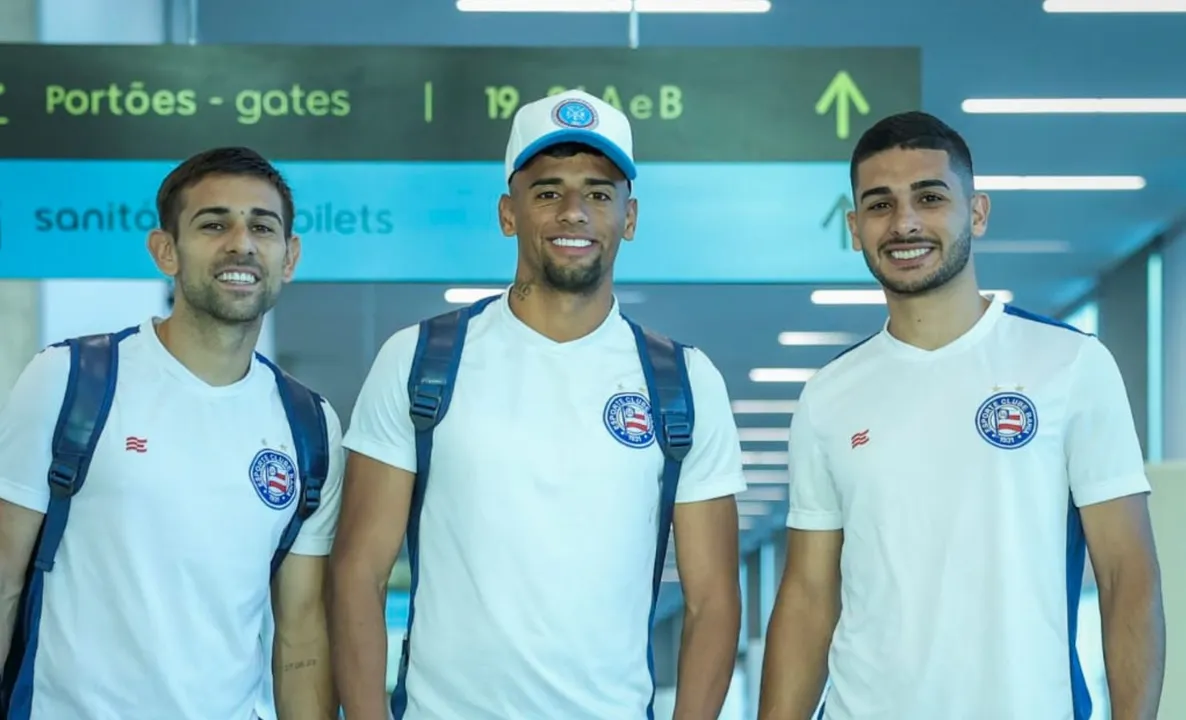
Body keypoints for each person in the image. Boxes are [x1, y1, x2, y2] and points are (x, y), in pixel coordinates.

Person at [329, 89, 747, 720]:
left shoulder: (684, 382)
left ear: (629, 218)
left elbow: (713, 600)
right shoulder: (419, 361)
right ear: (508, 213)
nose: (573, 211)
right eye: (547, 191)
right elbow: (357, 575)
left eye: (599, 193)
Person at [757, 110, 1166, 719]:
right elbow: (809, 597)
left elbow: (1127, 578)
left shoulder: (1069, 364)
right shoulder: (829, 395)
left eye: (930, 197)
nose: (905, 223)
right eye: (879, 205)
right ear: (854, 227)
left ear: (977, 212)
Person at [0, 147, 344, 720]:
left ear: (290, 256)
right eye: (213, 224)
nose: (242, 243)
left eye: (263, 226)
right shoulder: (71, 379)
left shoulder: (309, 423)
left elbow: (302, 637)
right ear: (166, 251)